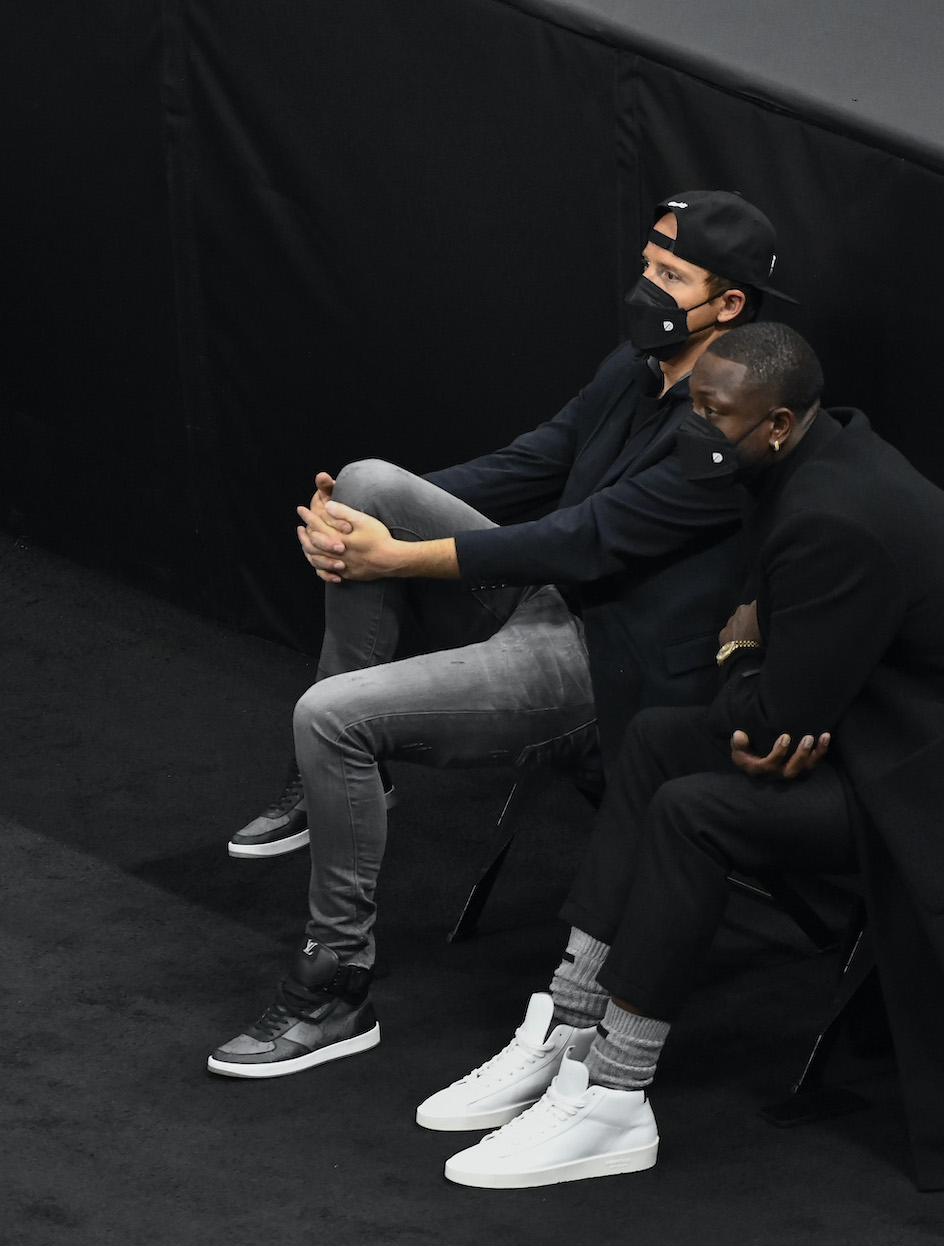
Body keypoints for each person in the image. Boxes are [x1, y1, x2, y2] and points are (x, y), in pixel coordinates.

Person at [417, 322, 944, 1192]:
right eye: (695, 402)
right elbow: (775, 704)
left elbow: (766, 717)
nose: (695, 425)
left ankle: (615, 1094)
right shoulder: (805, 469)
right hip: (891, 734)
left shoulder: (834, 516)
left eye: (716, 413)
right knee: (652, 741)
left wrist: (740, 652)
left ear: (780, 424)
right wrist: (764, 668)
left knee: (695, 811)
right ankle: (572, 1024)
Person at [207, 191, 798, 1079]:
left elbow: (585, 537)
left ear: (731, 306)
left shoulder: (727, 427)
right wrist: (354, 531)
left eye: (671, 276)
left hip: (604, 657)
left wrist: (399, 560)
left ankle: (334, 988)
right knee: (369, 482)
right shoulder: (639, 363)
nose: (646, 286)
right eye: (648, 263)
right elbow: (536, 462)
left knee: (330, 714)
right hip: (549, 595)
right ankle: (326, 782)